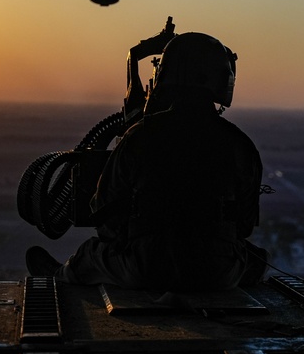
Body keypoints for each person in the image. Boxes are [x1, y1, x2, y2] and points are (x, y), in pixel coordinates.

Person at [25, 32, 269, 291]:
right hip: (217, 272)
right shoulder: (240, 145)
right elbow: (243, 225)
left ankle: (61, 275)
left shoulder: (140, 136)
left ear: (165, 76)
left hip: (147, 268)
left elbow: (105, 219)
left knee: (90, 254)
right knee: (256, 259)